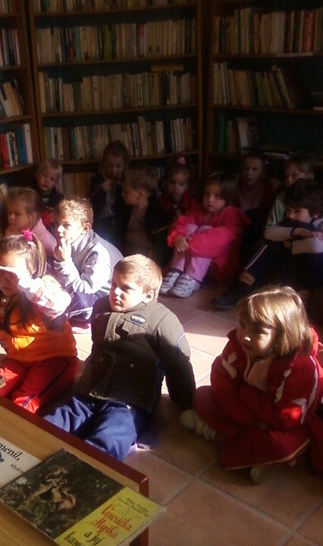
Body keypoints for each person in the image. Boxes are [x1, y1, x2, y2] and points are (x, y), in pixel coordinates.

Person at [43, 254, 195, 461]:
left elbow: (179, 364)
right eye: (114, 284)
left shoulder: (163, 321)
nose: (115, 292)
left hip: (129, 403)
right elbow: (97, 344)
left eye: (126, 288)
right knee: (50, 425)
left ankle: (84, 469)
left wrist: (185, 399)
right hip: (89, 393)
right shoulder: (100, 307)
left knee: (110, 438)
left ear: (148, 295)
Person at [181, 286, 323, 483]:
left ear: (283, 335)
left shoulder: (301, 368)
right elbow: (221, 381)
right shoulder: (238, 344)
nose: (245, 335)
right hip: (250, 415)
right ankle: (246, 447)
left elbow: (287, 419)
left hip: (276, 423)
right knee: (202, 395)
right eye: (242, 324)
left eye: (258, 331)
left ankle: (220, 436)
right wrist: (247, 418)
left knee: (282, 444)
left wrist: (247, 396)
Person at [0, 232, 79, 414]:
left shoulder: (43, 286)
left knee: (24, 401)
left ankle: (9, 429)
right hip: (18, 360)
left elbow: (60, 303)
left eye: (12, 274)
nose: (4, 279)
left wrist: (25, 284)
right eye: (0, 270)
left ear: (31, 272)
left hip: (54, 360)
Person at [213, 153, 317, 310]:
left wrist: (292, 244)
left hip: (304, 256)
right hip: (281, 244)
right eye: (286, 176)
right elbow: (269, 231)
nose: (289, 180)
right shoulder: (283, 198)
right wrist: (293, 233)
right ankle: (244, 287)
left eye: (294, 175)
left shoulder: (314, 202)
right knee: (269, 243)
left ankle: (250, 289)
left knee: (278, 243)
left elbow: (316, 245)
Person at [160, 171, 250, 298]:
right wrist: (178, 237)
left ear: (228, 198)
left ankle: (192, 278)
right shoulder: (199, 209)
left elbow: (219, 240)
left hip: (218, 265)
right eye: (207, 194)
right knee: (189, 227)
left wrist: (189, 242)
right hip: (190, 258)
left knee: (205, 230)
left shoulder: (232, 214)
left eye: (217, 196)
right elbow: (182, 222)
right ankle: (176, 271)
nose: (210, 199)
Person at [52, 198, 123, 327]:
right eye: (57, 224)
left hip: (104, 296)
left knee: (79, 301)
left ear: (85, 228)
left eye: (66, 225)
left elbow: (85, 290)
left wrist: (64, 261)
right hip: (79, 286)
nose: (58, 230)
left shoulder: (98, 252)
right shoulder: (67, 243)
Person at [154, 155, 198, 266]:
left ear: (187, 186)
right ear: (165, 182)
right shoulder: (160, 202)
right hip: (167, 240)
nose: (176, 187)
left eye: (181, 184)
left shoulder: (191, 202)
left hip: (185, 238)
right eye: (172, 183)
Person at [87, 140, 130, 246]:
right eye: (110, 166)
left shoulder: (127, 182)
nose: (114, 170)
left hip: (119, 224)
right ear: (104, 166)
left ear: (125, 166)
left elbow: (125, 207)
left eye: (118, 166)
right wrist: (102, 191)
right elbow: (91, 206)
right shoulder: (97, 182)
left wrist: (119, 187)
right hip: (100, 222)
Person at [238, 149, 278, 259]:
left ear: (263, 173)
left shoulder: (270, 189)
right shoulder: (236, 187)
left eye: (254, 170)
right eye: (246, 168)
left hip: (256, 233)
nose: (249, 173)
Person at [119, 163, 161, 259]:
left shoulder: (155, 214)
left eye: (126, 192)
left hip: (145, 255)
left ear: (140, 195)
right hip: (126, 252)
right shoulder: (125, 211)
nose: (122, 194)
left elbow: (158, 243)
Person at [1, 187, 56, 258]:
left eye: (17, 214)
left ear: (32, 217)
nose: (11, 217)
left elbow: (56, 253)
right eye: (9, 212)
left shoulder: (41, 237)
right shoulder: (10, 230)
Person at [31, 158, 64, 230]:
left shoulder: (59, 199)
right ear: (37, 175)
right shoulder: (29, 195)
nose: (47, 180)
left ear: (56, 183)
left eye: (52, 179)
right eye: (44, 175)